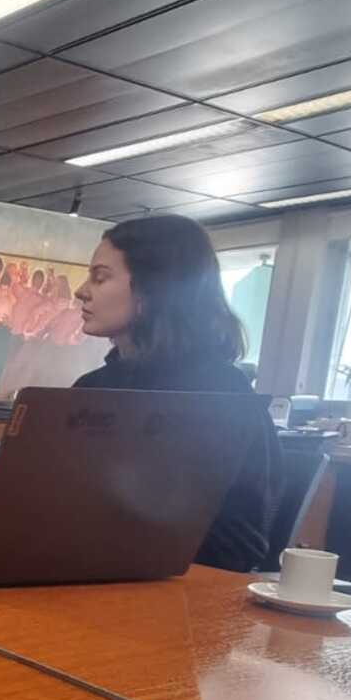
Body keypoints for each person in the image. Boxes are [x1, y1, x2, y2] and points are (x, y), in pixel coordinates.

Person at [71, 214, 280, 573]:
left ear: (154, 287)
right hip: (84, 572)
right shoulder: (92, 387)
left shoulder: (223, 392)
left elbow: (239, 544)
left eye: (100, 277)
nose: (82, 291)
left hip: (182, 588)